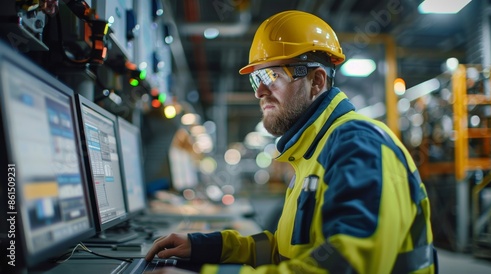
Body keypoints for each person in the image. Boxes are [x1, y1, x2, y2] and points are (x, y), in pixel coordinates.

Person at [145, 10, 437, 274]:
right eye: (257, 78)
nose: (259, 91)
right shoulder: (310, 153)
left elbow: (345, 267)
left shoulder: (357, 146)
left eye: (271, 75)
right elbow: (283, 252)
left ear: (317, 81)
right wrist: (205, 246)